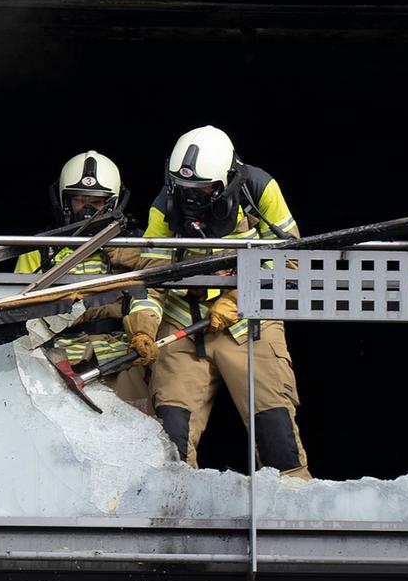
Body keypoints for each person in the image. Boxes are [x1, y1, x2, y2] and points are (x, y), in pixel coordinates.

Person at [113, 126, 311, 479]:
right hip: (182, 324)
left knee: (275, 430)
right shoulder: (164, 207)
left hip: (250, 324)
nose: (191, 198)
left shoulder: (259, 189)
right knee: (170, 438)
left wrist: (238, 296)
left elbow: (290, 259)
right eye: (183, 188)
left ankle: (290, 517)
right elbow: (151, 279)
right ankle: (174, 517)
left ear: (227, 180)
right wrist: (142, 327)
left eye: (202, 190)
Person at [18, 151, 152, 415]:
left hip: (122, 357)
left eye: (98, 202)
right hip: (58, 358)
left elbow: (153, 298)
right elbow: (19, 310)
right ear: (64, 201)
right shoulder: (40, 248)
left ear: (113, 203)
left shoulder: (136, 246)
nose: (88, 210)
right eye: (80, 200)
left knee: (138, 429)